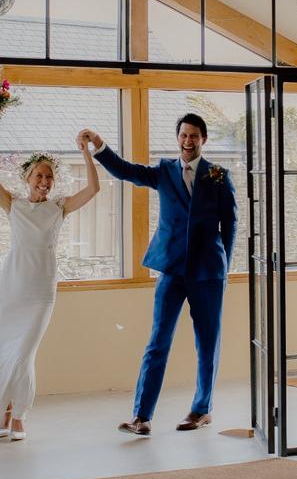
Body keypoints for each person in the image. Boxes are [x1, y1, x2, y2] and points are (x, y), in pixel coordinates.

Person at [78, 113, 237, 435]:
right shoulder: (164, 171)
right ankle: (142, 416)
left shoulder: (219, 175)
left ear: (203, 140)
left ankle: (201, 409)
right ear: (178, 138)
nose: (188, 141)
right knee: (157, 343)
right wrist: (99, 144)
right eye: (183, 135)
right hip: (171, 270)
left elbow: (230, 223)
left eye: (194, 136)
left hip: (208, 273)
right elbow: (125, 170)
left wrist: (224, 267)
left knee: (207, 344)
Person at [0, 113, 100, 440]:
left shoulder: (59, 207)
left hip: (41, 290)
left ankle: (18, 415)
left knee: (24, 352)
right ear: (27, 178)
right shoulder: (12, 204)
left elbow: (94, 188)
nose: (44, 181)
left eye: (49, 176)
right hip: (13, 286)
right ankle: (4, 411)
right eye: (39, 175)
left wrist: (86, 152)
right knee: (3, 349)